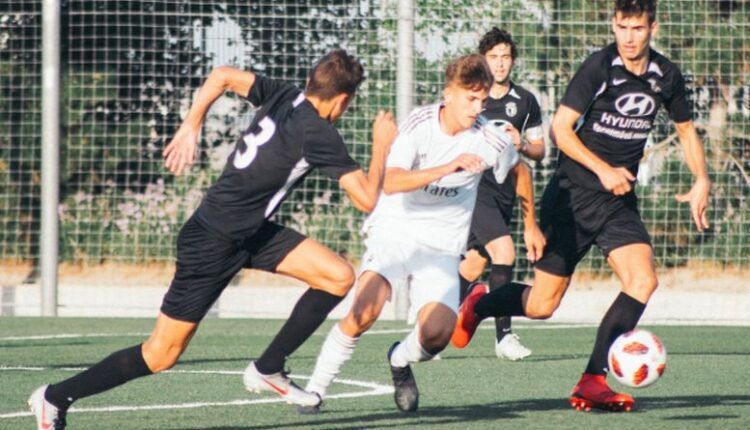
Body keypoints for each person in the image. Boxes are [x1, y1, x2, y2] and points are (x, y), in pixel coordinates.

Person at [28, 49, 398, 429]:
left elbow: (221, 75)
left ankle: (268, 368)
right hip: (212, 242)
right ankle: (54, 398)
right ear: (343, 99)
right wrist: (382, 144)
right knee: (160, 354)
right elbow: (367, 198)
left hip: (249, 232)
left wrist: (192, 124)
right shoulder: (319, 131)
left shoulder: (283, 94)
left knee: (337, 275)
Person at [452, 0, 710, 412]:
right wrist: (603, 168)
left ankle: (592, 380)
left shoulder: (666, 76)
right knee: (541, 305)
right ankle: (479, 304)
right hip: (571, 196)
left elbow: (685, 129)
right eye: (622, 27)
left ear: (652, 29)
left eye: (637, 28)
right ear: (614, 25)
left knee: (642, 281)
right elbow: (559, 130)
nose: (628, 37)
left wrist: (701, 178)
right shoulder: (599, 67)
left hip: (617, 202)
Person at [301, 54, 520, 414]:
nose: (477, 106)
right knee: (364, 310)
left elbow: (517, 168)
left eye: (482, 99)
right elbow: (393, 180)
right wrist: (448, 166)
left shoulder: (491, 139)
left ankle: (400, 359)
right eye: (470, 97)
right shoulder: (419, 124)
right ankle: (315, 391)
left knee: (437, 335)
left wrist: (529, 223)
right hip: (396, 230)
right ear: (448, 94)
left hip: (442, 246)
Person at [458, 27, 547, 361]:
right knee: (504, 253)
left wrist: (521, 143)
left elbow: (539, 150)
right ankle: (504, 337)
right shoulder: (473, 99)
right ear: (483, 60)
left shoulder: (525, 101)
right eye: (493, 57)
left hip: (505, 193)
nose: (499, 63)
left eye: (505, 57)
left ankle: (429, 324)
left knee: (472, 267)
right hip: (474, 189)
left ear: (513, 61)